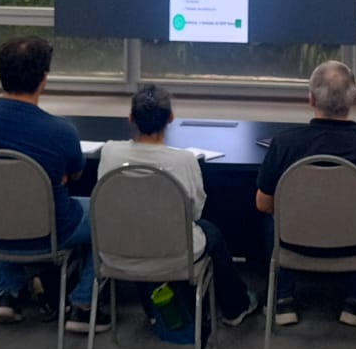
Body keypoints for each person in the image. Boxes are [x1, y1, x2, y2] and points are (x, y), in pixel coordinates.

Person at [0, 36, 104, 332]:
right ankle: (82, 305)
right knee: (107, 212)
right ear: (44, 78)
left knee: (4, 198)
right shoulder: (61, 130)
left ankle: (7, 294)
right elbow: (77, 174)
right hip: (50, 232)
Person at [96, 84, 259, 327]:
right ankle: (236, 308)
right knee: (212, 232)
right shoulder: (184, 161)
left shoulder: (110, 153)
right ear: (171, 118)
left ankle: (154, 311)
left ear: (131, 118)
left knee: (138, 226)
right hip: (176, 256)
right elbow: (194, 213)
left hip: (117, 254)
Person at [256, 61, 356, 327]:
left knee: (272, 216)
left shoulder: (283, 144)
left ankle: (281, 299)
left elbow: (263, 203)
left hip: (292, 245)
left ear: (311, 99)